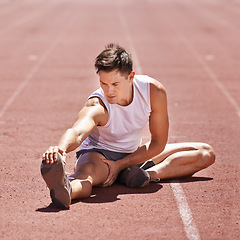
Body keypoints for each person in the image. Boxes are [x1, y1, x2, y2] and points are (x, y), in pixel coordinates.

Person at [41, 43, 215, 209]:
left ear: (131, 77)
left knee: (205, 153)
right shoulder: (97, 105)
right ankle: (66, 190)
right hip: (100, 156)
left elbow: (158, 143)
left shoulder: (153, 91)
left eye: (115, 84)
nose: (109, 91)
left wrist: (122, 165)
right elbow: (77, 132)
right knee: (85, 178)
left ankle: (147, 175)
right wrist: (61, 149)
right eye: (103, 83)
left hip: (134, 155)